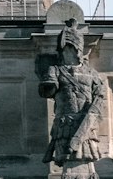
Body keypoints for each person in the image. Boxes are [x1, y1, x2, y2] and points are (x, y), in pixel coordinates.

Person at [40, 17, 105, 167]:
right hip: (65, 124)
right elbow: (47, 91)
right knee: (67, 158)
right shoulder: (55, 70)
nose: (66, 53)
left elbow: (99, 99)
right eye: (64, 49)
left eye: (70, 49)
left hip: (85, 125)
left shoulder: (92, 73)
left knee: (85, 159)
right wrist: (49, 84)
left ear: (78, 50)